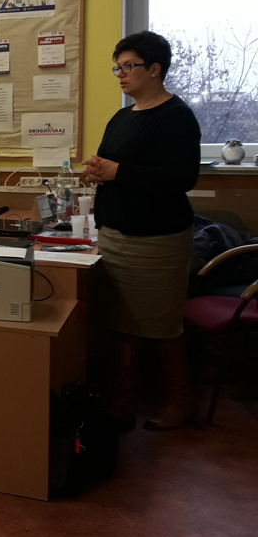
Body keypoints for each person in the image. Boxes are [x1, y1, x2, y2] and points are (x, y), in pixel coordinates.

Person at [83, 31, 201, 432]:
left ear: (154, 69)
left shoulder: (176, 116)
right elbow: (110, 165)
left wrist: (119, 172)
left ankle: (181, 401)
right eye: (117, 67)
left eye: (128, 66)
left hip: (157, 240)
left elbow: (182, 178)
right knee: (119, 324)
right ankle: (120, 402)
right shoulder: (122, 116)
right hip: (114, 234)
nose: (120, 74)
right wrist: (97, 170)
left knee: (162, 325)